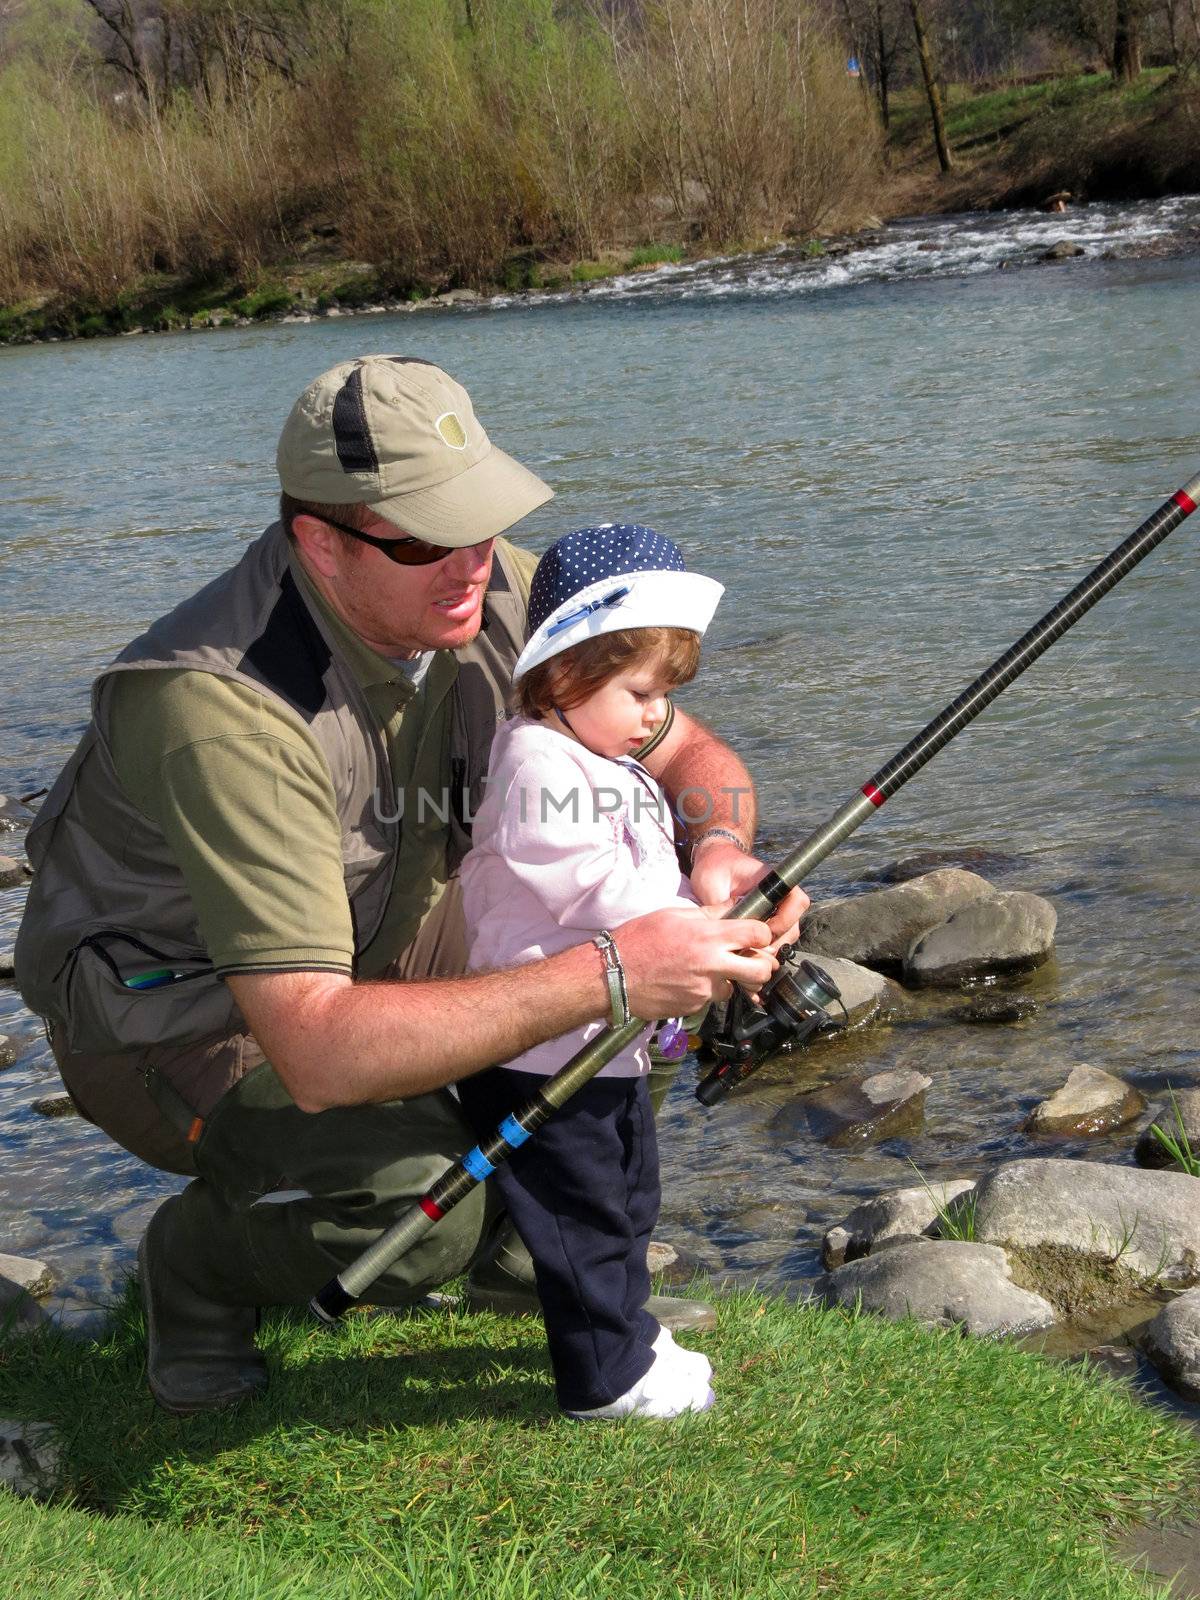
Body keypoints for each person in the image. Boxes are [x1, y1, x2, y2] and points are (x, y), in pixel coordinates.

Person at [14, 355, 808, 1416]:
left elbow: (688, 755)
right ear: (321, 544)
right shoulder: (226, 712)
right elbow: (317, 1046)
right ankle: (196, 1271)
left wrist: (721, 857)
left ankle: (535, 1251)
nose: (474, 562)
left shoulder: (499, 582)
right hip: (189, 1023)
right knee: (414, 1205)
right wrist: (616, 971)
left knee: (635, 951)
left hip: (388, 926)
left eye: (481, 518)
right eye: (429, 536)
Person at [458, 523, 726, 1420]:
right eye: (640, 691)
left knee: (628, 1199)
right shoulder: (536, 761)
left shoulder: (601, 755)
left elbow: (644, 872)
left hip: (605, 1042)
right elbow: (591, 883)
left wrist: (703, 889)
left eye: (665, 694)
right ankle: (601, 1383)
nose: (658, 715)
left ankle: (631, 1338)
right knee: (577, 1221)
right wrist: (694, 923)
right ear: (566, 675)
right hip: (542, 1047)